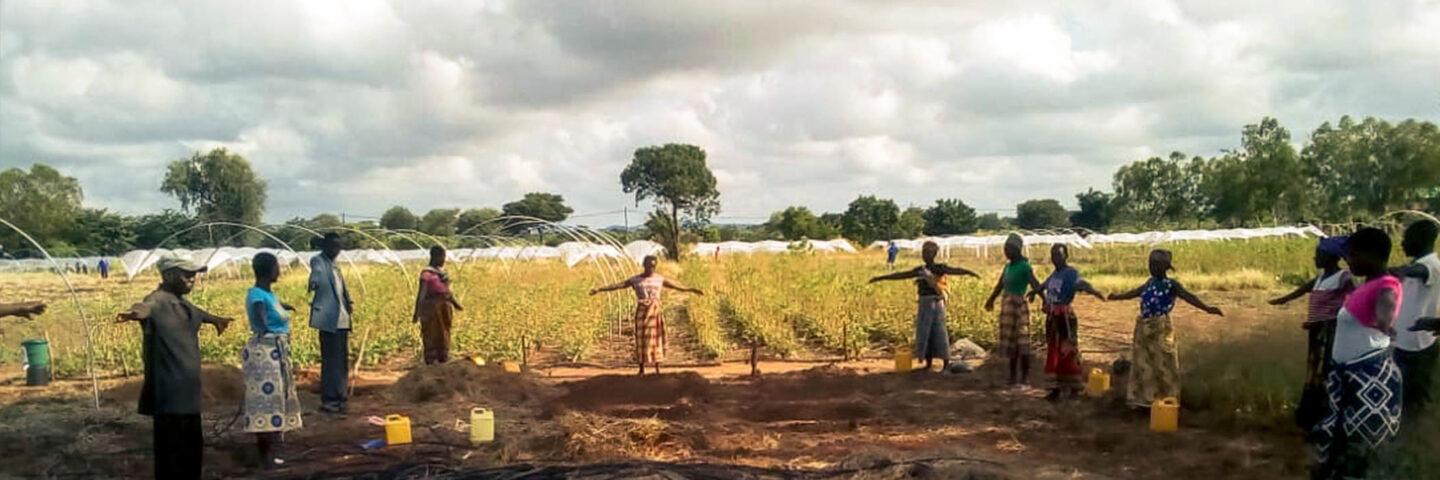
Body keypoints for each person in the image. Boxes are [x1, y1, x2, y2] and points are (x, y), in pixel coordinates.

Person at [115, 254, 233, 480]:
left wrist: (217, 320)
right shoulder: (157, 300)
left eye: (194, 275)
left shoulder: (182, 303)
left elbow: (200, 314)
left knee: (191, 452)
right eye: (186, 274)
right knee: (171, 455)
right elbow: (144, 308)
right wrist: (134, 314)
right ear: (168, 275)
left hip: (188, 394)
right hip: (168, 394)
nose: (192, 279)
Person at [1312, 227, 1403, 480]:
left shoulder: (1387, 285)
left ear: (1370, 254)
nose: (1348, 260)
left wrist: (1385, 321)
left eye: (1352, 255)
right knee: (1344, 451)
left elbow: (1386, 306)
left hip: (1369, 381)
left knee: (1362, 453)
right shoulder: (1367, 285)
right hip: (1351, 381)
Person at [1108, 249, 1223, 409]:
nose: (1152, 268)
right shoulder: (1149, 283)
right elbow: (1134, 293)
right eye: (1150, 264)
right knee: (1143, 363)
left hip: (1160, 327)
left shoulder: (1171, 285)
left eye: (1156, 264)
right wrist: (1117, 297)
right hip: (1143, 328)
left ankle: (1169, 398)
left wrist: (1207, 308)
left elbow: (1189, 297)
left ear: (1165, 267)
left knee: (1164, 363)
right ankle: (1146, 399)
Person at [1269, 236, 1353, 430]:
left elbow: (1353, 301)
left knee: (1324, 372)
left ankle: (1323, 418)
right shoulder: (1321, 279)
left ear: (1330, 256)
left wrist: (1325, 323)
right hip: (1316, 333)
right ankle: (1311, 417)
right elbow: (1301, 290)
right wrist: (1281, 300)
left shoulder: (1343, 277)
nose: (1314, 258)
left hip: (1330, 334)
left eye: (1318, 254)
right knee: (1314, 371)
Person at [870, 241, 980, 372]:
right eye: (924, 252)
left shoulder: (939, 268)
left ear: (934, 254)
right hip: (924, 303)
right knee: (925, 333)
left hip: (936, 303)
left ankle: (945, 362)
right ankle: (928, 363)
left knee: (939, 332)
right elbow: (902, 275)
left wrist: (968, 272)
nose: (925, 255)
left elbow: (955, 270)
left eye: (928, 252)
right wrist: (881, 277)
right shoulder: (921, 270)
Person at [589, 255, 703, 375]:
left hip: (655, 312)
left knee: (656, 338)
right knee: (641, 339)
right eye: (649, 266)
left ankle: (657, 367)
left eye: (653, 266)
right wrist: (600, 289)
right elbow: (619, 285)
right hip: (642, 312)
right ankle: (641, 368)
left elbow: (677, 286)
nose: (651, 268)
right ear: (644, 265)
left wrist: (691, 289)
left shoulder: (659, 279)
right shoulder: (636, 280)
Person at [242, 253, 302, 468]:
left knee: (277, 400)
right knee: (266, 403)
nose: (279, 271)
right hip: (265, 353)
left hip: (277, 352)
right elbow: (260, 310)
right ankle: (266, 456)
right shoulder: (256, 294)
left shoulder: (269, 294)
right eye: (276, 267)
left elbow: (271, 304)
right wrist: (266, 326)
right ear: (267, 270)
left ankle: (273, 452)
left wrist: (285, 307)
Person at [1030, 243, 1105, 401]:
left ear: (1066, 256)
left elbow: (1082, 284)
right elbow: (1044, 285)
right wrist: (1034, 292)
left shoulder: (1071, 273)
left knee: (1068, 350)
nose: (1055, 258)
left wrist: (1094, 291)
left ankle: (1074, 389)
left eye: (1059, 255)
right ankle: (1055, 389)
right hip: (1052, 317)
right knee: (1054, 352)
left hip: (1064, 317)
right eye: (1053, 255)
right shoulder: (1054, 274)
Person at [1390, 219, 1438, 425]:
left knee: (1417, 394)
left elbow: (1418, 271)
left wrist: (1394, 270)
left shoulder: (1432, 266)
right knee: (1402, 391)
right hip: (1404, 341)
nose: (1402, 243)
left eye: (1406, 238)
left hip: (1418, 345)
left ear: (1420, 240)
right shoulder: (1418, 265)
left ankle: (1419, 433)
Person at [985, 234, 1044, 388]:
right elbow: (1000, 285)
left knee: (1022, 343)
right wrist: (991, 300)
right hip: (1007, 306)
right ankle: (1012, 377)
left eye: (1008, 248)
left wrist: (1043, 298)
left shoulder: (1024, 266)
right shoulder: (1008, 267)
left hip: (1019, 306)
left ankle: (1024, 378)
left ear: (1016, 250)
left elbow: (1035, 283)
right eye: (1005, 248)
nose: (1006, 251)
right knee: (1011, 344)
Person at [308, 233, 353, 414]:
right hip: (328, 319)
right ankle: (330, 400)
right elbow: (316, 275)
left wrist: (348, 302)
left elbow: (341, 289)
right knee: (331, 361)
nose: (336, 250)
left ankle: (341, 396)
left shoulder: (335, 265)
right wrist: (314, 282)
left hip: (341, 319)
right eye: (333, 246)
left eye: (338, 246)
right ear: (325, 246)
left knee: (341, 360)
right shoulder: (318, 261)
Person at [414, 246, 463, 364]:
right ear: (435, 257)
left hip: (444, 307)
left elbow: (446, 291)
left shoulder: (442, 274)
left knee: (444, 332)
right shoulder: (426, 274)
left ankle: (443, 357)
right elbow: (422, 293)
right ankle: (431, 360)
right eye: (442, 257)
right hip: (431, 308)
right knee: (431, 333)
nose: (443, 260)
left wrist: (455, 303)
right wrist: (417, 312)